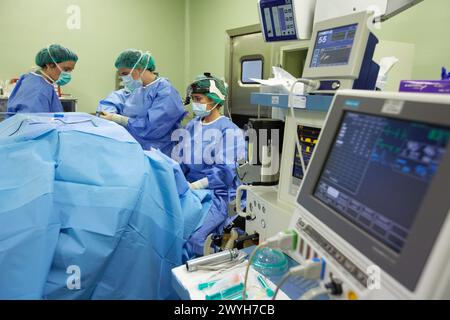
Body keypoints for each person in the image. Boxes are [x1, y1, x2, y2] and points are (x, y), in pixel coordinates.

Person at [173, 73, 246, 257]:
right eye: (194, 99)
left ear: (214, 100)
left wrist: (197, 185)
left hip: (217, 194)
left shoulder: (230, 131)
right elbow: (181, 159)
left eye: (199, 99)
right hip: (189, 190)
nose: (195, 103)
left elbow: (226, 172)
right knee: (172, 228)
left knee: (194, 237)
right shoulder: (192, 126)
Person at [98, 49, 186, 156]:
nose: (123, 78)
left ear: (140, 69)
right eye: (121, 75)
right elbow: (108, 105)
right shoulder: (136, 90)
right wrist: (108, 116)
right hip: (134, 152)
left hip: (159, 154)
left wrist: (119, 119)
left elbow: (154, 129)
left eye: (125, 73)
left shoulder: (166, 92)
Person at [7, 44, 78, 114]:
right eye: (66, 69)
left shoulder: (34, 80)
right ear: (50, 64)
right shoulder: (39, 89)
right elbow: (33, 122)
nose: (68, 74)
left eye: (70, 70)